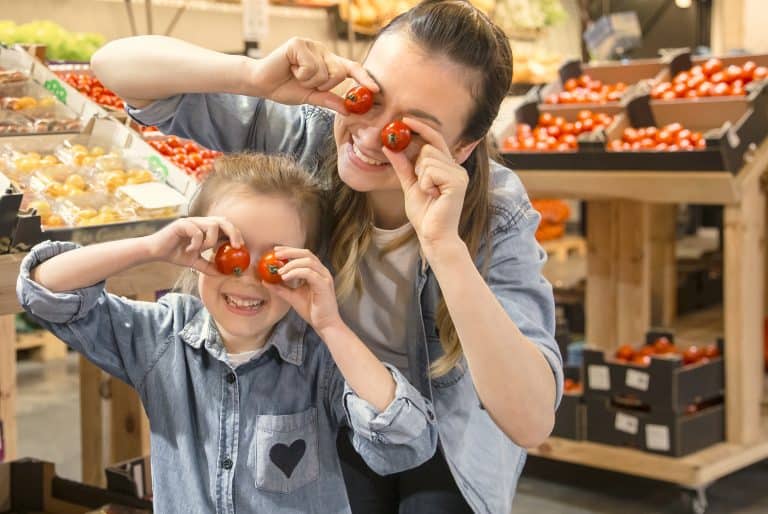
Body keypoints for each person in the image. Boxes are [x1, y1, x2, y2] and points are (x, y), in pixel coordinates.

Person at [92, 1, 564, 512]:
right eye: (368, 98)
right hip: (323, 405)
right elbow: (116, 67)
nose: (368, 135)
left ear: (464, 147)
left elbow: (531, 420)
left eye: (410, 131)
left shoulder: (496, 212)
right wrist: (252, 76)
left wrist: (444, 248)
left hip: (447, 433)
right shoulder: (310, 134)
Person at [16, 153, 438, 514]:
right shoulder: (163, 338)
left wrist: (331, 327)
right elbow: (43, 292)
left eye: (274, 260)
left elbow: (408, 442)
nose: (248, 278)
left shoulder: (321, 356)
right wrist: (150, 248)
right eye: (229, 251)